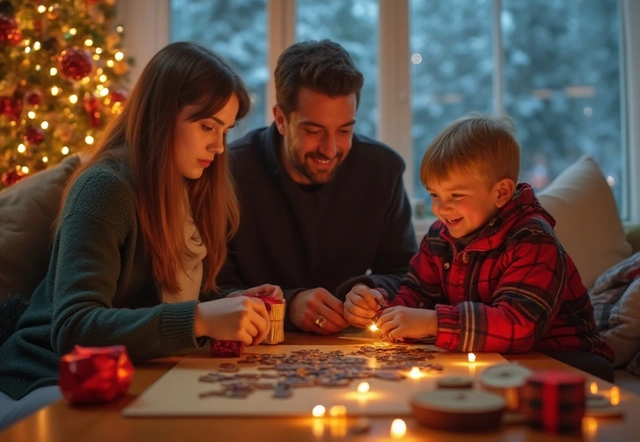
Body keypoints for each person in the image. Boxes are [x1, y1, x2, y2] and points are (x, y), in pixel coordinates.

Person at [0, 41, 281, 429]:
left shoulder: (189, 187)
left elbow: (166, 298)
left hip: (138, 369)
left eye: (225, 131)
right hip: (47, 375)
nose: (218, 147)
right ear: (162, 116)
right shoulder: (104, 188)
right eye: (206, 127)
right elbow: (74, 327)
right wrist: (199, 319)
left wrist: (232, 304)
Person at [343, 113, 615, 381]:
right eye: (435, 194)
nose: (440, 208)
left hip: (567, 360)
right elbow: (415, 293)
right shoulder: (440, 236)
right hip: (497, 356)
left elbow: (518, 325)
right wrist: (382, 307)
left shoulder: (532, 239)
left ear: (501, 193)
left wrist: (432, 322)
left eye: (456, 195)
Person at [217, 39, 417, 334]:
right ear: (281, 119)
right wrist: (287, 304)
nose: (330, 149)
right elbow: (213, 290)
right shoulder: (228, 172)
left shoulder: (382, 170)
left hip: (355, 349)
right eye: (314, 130)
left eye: (344, 130)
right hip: (253, 346)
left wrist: (371, 291)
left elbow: (405, 273)